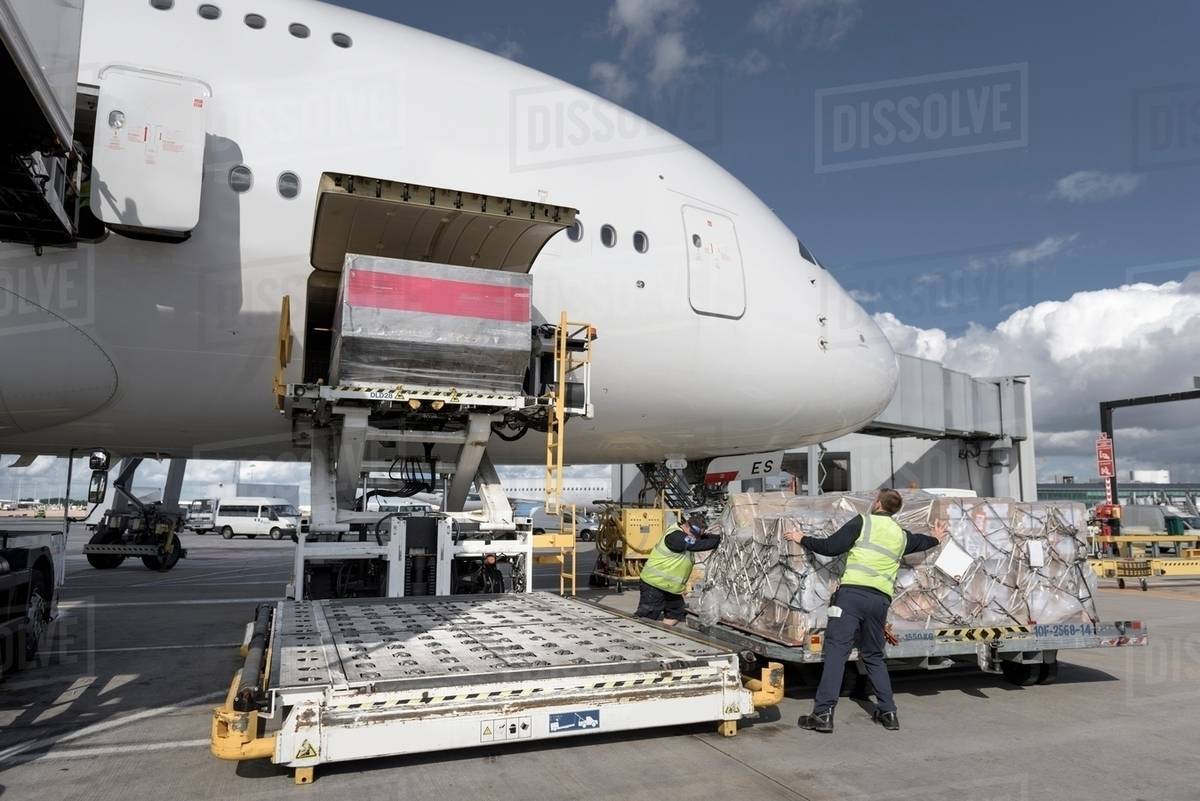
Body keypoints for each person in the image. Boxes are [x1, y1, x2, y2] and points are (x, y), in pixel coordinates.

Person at [788, 489, 946, 732]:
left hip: (851, 597)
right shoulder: (901, 535)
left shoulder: (863, 522)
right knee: (873, 655)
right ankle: (889, 712)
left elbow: (830, 547)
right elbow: (921, 542)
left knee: (837, 653)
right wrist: (935, 538)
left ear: (877, 503)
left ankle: (823, 714)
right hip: (880, 601)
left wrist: (802, 538)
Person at [635, 512, 720, 626]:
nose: (697, 538)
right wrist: (717, 541)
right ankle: (636, 633)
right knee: (647, 617)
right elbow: (697, 544)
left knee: (676, 613)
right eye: (696, 535)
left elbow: (704, 538)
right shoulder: (675, 537)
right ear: (688, 527)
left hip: (668, 587)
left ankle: (661, 631)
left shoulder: (685, 534)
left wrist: (721, 537)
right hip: (655, 584)